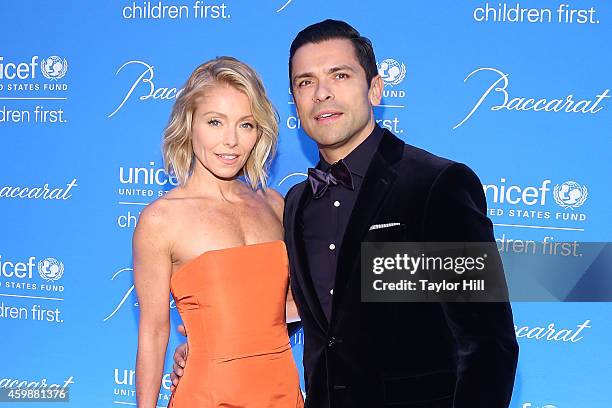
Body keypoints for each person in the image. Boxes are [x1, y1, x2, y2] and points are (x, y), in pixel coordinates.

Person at [172, 20, 519, 407]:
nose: (322, 93)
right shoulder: (296, 204)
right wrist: (206, 348)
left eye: (339, 75)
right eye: (305, 82)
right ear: (295, 101)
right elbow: (294, 310)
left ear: (375, 88)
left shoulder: (435, 186)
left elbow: (489, 343)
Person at [133, 56, 304, 408]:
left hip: (283, 393)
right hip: (208, 396)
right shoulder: (161, 219)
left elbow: (291, 305)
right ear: (189, 123)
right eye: (215, 122)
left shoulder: (274, 204)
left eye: (246, 125)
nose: (231, 141)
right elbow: (153, 332)